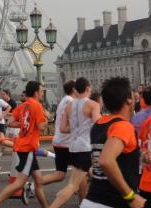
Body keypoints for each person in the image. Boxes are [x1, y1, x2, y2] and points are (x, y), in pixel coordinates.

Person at [0, 80, 49, 208]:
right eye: (41, 91)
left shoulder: (22, 106)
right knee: (19, 183)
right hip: (28, 148)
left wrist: (24, 124)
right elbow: (41, 127)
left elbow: (9, 122)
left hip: (22, 146)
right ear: (36, 93)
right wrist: (48, 118)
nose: (42, 93)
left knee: (39, 181)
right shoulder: (37, 106)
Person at [79, 76, 144, 208]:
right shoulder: (123, 126)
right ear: (129, 100)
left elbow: (98, 158)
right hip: (113, 202)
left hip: (92, 200)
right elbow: (106, 160)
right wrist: (130, 196)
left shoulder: (98, 124)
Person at [48, 77, 101, 208]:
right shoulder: (93, 105)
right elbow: (98, 124)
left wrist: (78, 127)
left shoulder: (69, 106)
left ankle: (87, 202)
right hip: (85, 147)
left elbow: (63, 128)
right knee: (73, 185)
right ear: (88, 88)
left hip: (73, 147)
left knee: (89, 177)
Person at [37, 80, 75, 189]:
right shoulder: (71, 101)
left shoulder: (64, 100)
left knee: (60, 174)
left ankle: (33, 185)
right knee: (82, 170)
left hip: (59, 140)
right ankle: (78, 192)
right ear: (74, 89)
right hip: (67, 142)